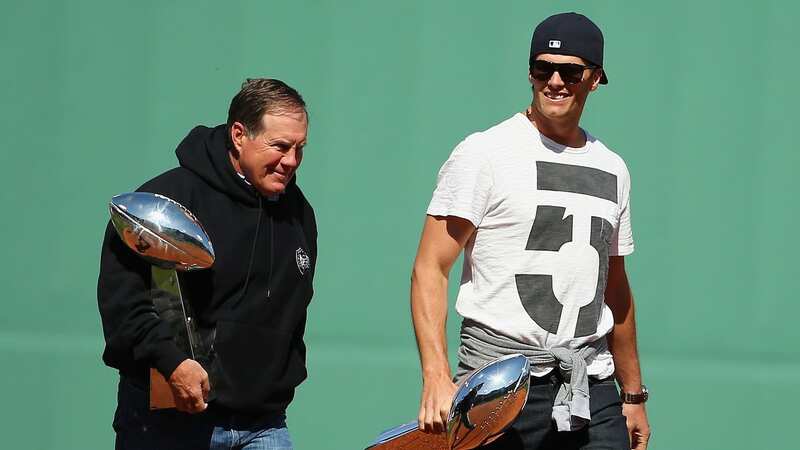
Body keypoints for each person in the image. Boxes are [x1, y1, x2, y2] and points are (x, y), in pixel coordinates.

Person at [411, 13, 651, 450]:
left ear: (595, 79)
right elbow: (431, 267)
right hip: (500, 381)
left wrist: (632, 393)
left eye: (571, 71)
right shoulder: (484, 152)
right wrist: (436, 375)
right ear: (530, 73)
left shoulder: (612, 168)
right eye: (544, 69)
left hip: (587, 382)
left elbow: (614, 287)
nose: (555, 81)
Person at [97, 78, 316, 450]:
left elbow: (292, 315)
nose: (291, 161)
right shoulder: (165, 204)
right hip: (170, 424)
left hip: (264, 424)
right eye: (280, 146)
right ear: (238, 135)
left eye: (300, 148)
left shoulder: (298, 215)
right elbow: (124, 306)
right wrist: (171, 362)